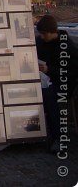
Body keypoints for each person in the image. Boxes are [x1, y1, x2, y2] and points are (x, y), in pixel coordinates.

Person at [36, 15, 78, 152]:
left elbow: (70, 73)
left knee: (50, 96)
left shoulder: (67, 47)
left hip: (63, 83)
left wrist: (49, 69)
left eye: (43, 34)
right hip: (46, 79)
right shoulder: (41, 42)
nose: (41, 37)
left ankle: (59, 138)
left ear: (51, 32)